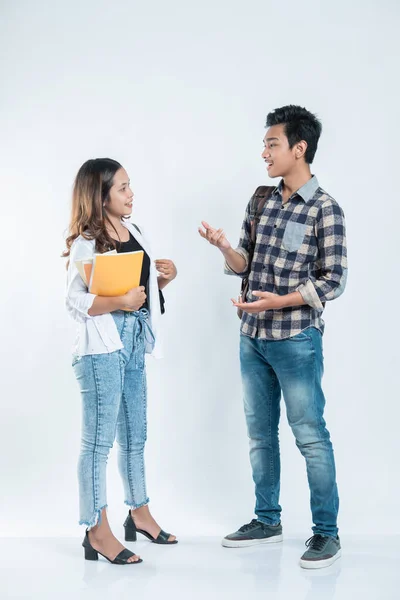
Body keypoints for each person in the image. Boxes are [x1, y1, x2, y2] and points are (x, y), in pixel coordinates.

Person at [199, 105, 347, 569]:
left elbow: (334, 280)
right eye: (264, 144)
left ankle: (326, 533)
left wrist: (280, 302)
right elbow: (244, 262)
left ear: (298, 149)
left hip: (296, 339)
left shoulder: (326, 209)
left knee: (309, 436)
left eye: (272, 144)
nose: (263, 152)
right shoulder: (261, 199)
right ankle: (267, 520)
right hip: (252, 336)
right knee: (260, 435)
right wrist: (227, 249)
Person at [63, 158, 178, 565]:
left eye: (130, 187)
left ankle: (139, 513)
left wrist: (162, 280)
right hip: (101, 348)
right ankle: (96, 530)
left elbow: (141, 291)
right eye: (124, 188)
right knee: (97, 443)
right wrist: (119, 302)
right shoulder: (86, 242)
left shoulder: (136, 232)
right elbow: (74, 301)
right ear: (101, 195)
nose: (132, 194)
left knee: (135, 434)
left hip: (133, 340)